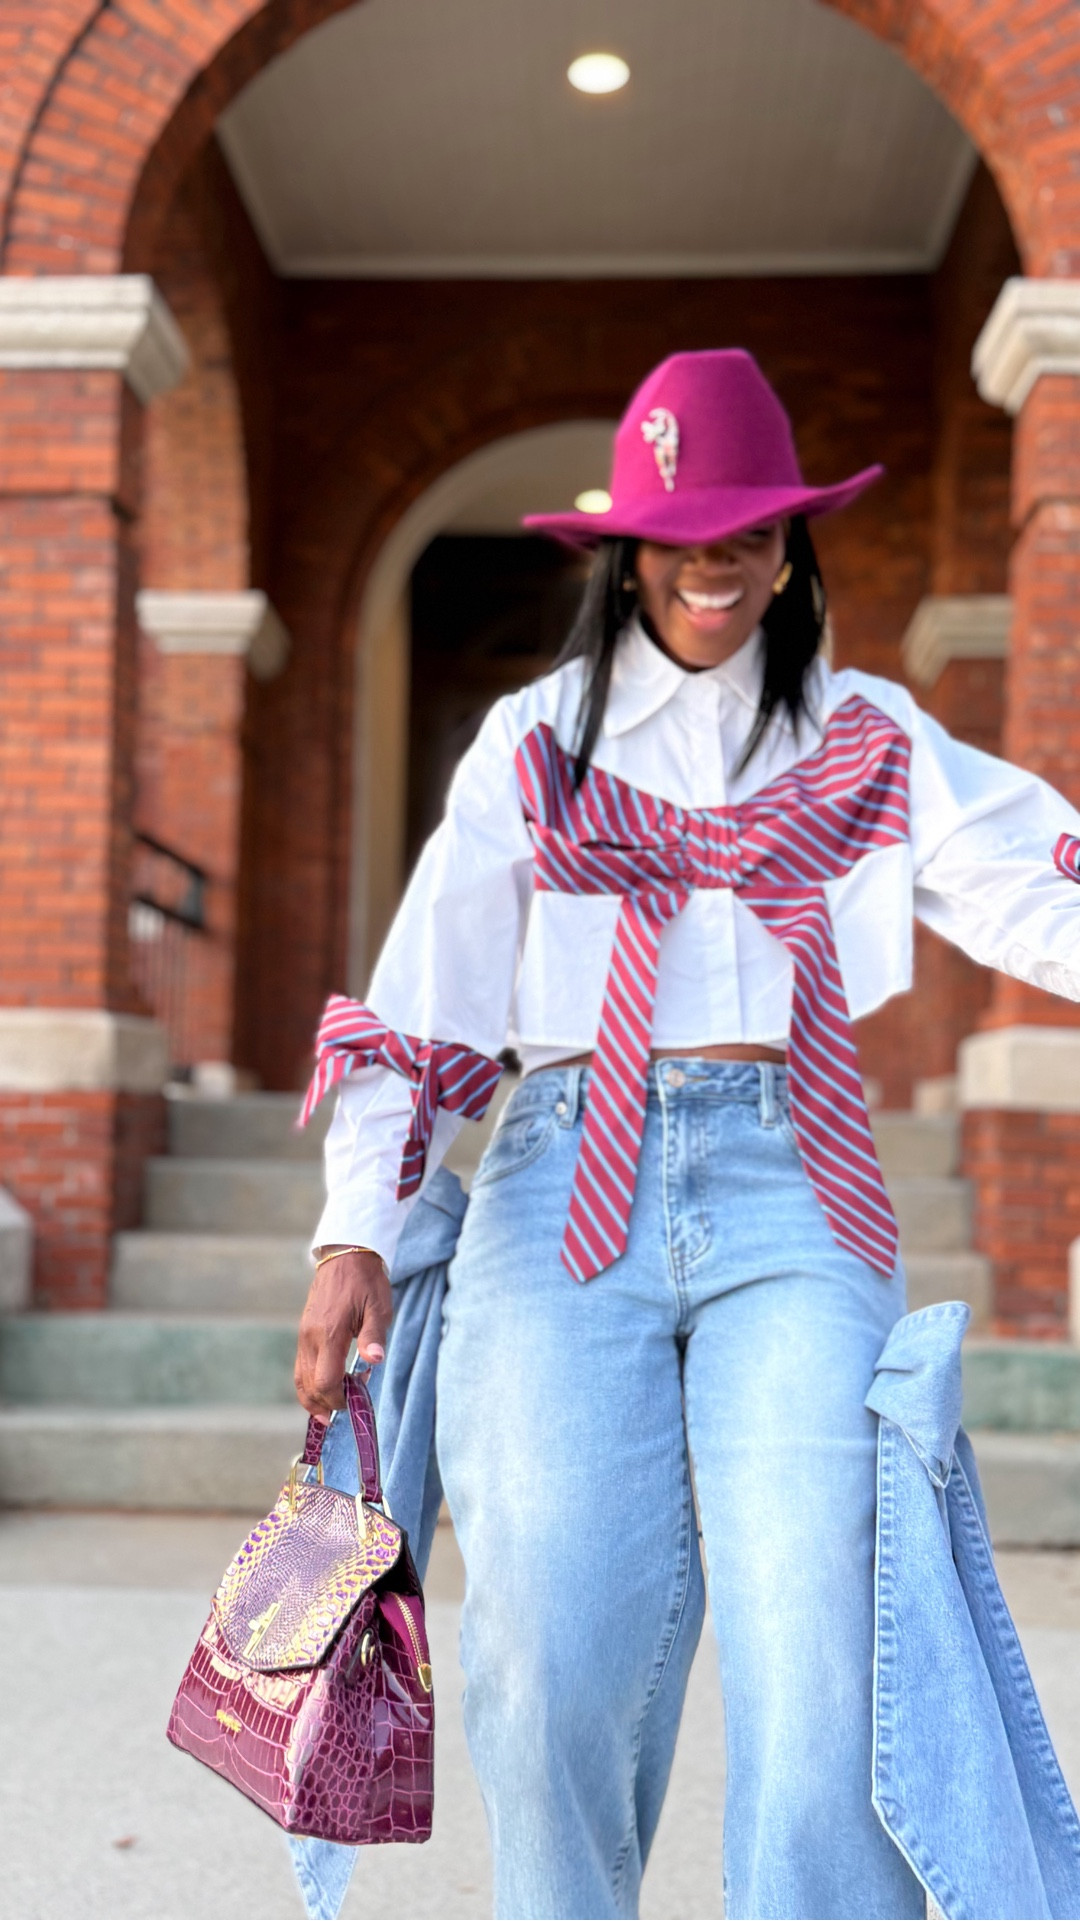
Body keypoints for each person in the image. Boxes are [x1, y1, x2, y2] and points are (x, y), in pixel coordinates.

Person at [294, 351, 1080, 1920]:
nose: (712, 567)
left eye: (746, 535)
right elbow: (429, 1003)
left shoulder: (867, 736)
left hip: (801, 1177)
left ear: (790, 548)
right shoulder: (536, 743)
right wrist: (354, 1229)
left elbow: (1034, 878)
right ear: (626, 549)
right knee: (552, 1650)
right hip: (555, 1182)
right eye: (680, 535)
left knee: (821, 1650)